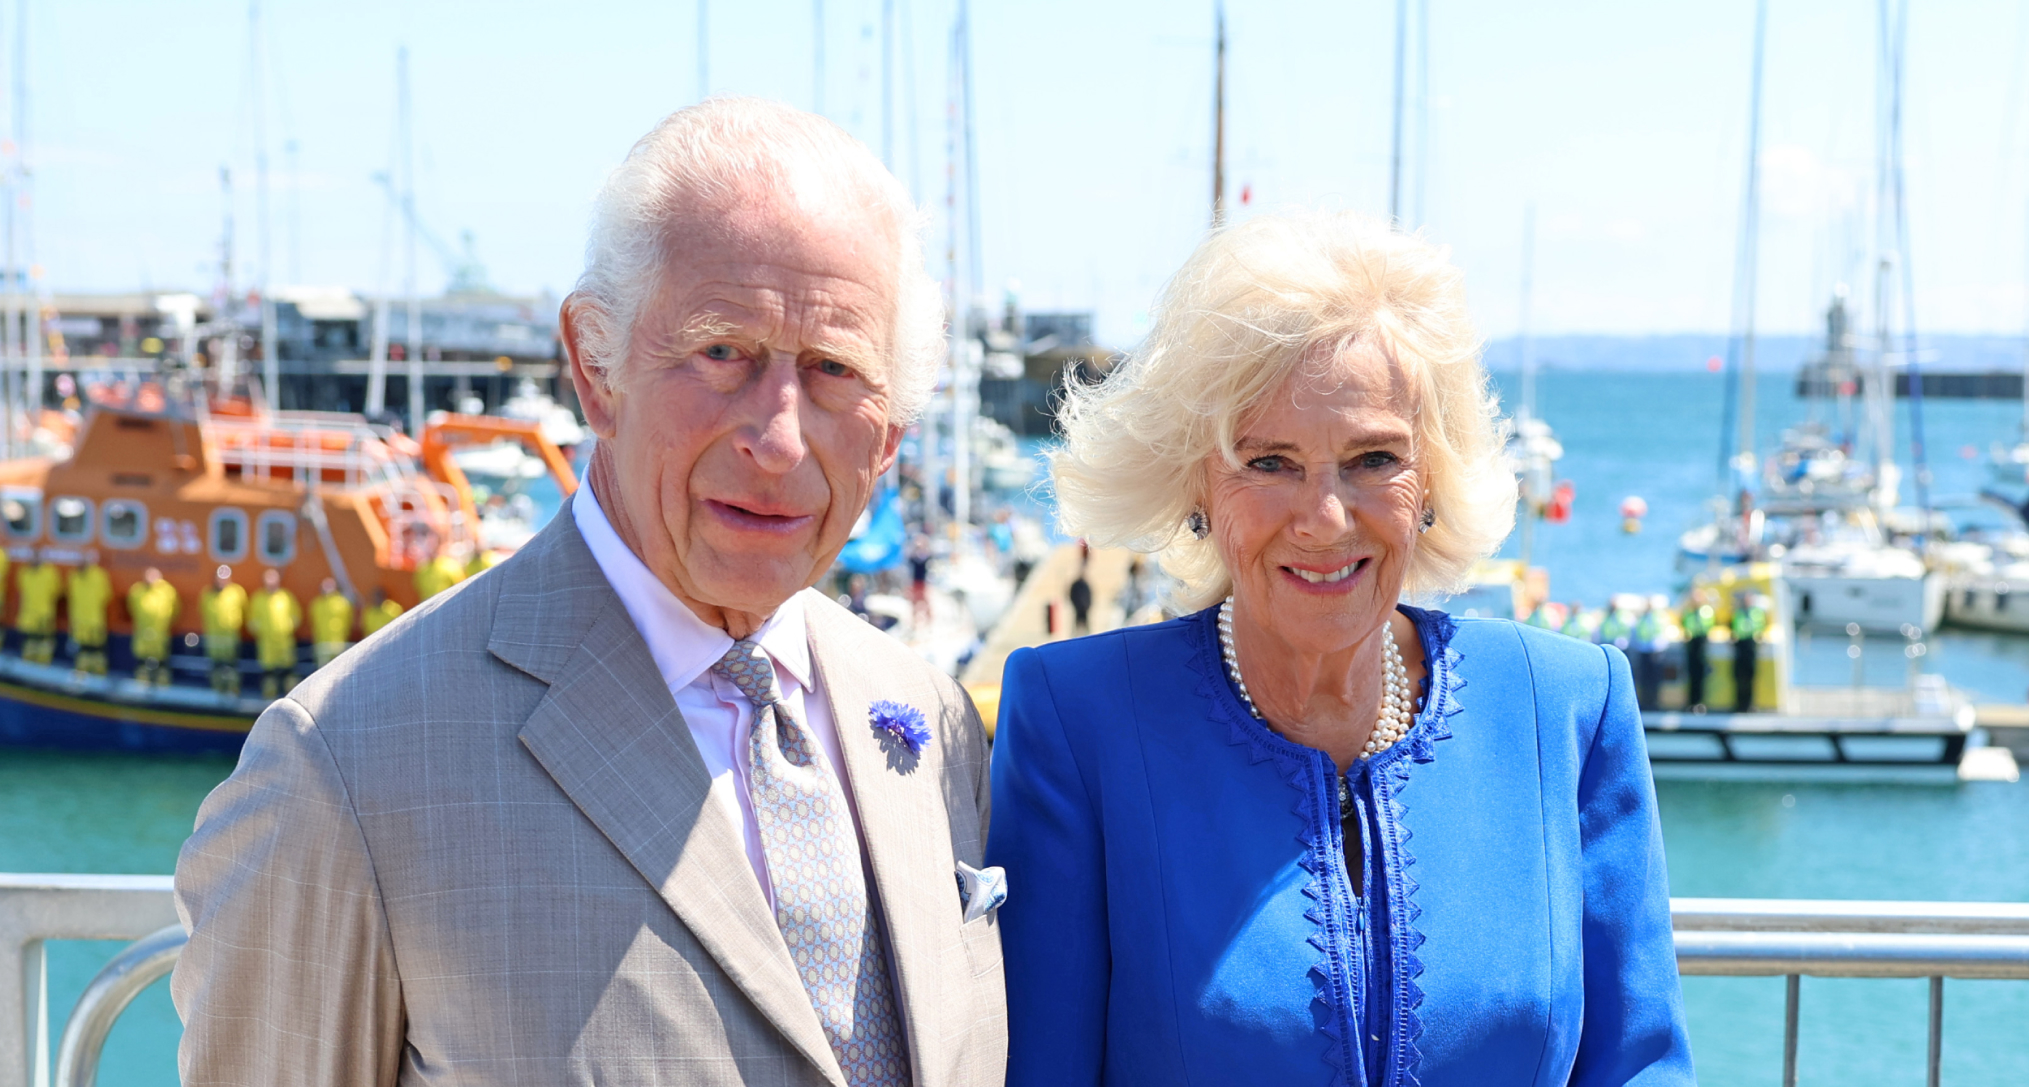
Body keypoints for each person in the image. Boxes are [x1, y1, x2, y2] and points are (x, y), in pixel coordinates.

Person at [175, 99, 1005, 1086]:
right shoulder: (350, 768)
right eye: (721, 351)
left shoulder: (928, 720)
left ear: (892, 432)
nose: (779, 437)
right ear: (594, 367)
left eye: (833, 369)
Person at [989, 210, 1692, 1085]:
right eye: (1269, 461)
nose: (1324, 518)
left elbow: (1641, 1065)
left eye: (1372, 458)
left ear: (1430, 476)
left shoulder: (1568, 706)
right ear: (1196, 483)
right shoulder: (1077, 719)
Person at [247, 568, 302, 698]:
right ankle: (268, 702)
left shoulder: (286, 597)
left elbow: (297, 616)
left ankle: (292, 703)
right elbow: (251, 621)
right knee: (269, 678)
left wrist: (287, 627)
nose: (270, 581)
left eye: (273, 578)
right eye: (268, 578)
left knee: (289, 677)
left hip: (285, 644)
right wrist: (261, 630)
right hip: (267, 645)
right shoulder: (258, 598)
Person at [127, 567, 180, 685]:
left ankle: (163, 697)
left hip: (160, 640)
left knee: (162, 671)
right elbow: (132, 608)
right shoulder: (136, 591)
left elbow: (175, 610)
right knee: (142, 670)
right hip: (142, 640)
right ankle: (141, 695)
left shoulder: (167, 591)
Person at [199, 566, 247, 696]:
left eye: (224, 578)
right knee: (216, 669)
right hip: (214, 640)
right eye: (219, 578)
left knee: (231, 668)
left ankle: (233, 692)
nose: (221, 581)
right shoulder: (207, 595)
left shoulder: (237, 592)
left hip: (231, 639)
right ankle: (216, 693)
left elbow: (243, 610)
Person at [66, 554, 113, 675]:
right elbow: (72, 599)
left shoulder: (99, 576)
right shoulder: (73, 577)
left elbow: (106, 596)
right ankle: (82, 676)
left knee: (97, 652)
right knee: (82, 653)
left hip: (94, 622)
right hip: (79, 623)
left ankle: (98, 677)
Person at [15, 557, 62, 665]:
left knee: (44, 643)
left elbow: (56, 591)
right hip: (29, 615)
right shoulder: (25, 573)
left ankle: (43, 666)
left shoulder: (49, 573)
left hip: (44, 615)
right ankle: (27, 667)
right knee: (29, 642)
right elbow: (22, 591)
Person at [1731, 589, 1768, 713]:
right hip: (1740, 645)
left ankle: (1749, 704)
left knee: (1750, 676)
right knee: (1739, 677)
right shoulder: (1738, 613)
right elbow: (1733, 627)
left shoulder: (1757, 613)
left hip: (1751, 645)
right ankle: (1739, 704)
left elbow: (1761, 626)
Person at [1632, 595, 1669, 710]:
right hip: (1644, 651)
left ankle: (1654, 702)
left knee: (1655, 679)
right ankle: (1645, 702)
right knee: (1644, 678)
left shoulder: (1658, 618)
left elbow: (1662, 634)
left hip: (1655, 651)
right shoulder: (1642, 618)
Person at [1681, 588, 1715, 710]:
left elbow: (1710, 626)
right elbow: (1684, 625)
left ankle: (1700, 702)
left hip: (1702, 644)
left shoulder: (1707, 611)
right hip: (1692, 644)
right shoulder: (1688, 612)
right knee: (1691, 674)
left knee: (1701, 675)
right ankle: (1691, 702)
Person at [309, 578, 354, 667]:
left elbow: (349, 622)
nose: (327, 588)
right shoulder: (316, 604)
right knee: (322, 674)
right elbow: (314, 624)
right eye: (325, 585)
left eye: (329, 585)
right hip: (322, 645)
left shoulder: (343, 603)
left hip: (339, 645)